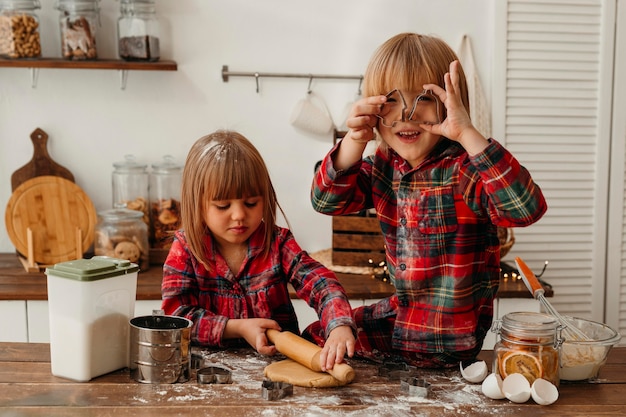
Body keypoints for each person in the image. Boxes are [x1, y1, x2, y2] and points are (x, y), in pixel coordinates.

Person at [305, 33, 547, 368]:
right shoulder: (382, 167)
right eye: (392, 100)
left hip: (450, 339)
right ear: (374, 109)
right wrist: (354, 140)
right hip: (402, 322)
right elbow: (325, 200)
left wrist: (467, 133)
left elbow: (526, 208)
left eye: (423, 98)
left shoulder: (465, 171)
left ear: (452, 104)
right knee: (319, 335)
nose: (408, 115)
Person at [162, 130, 356, 371]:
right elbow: (177, 317)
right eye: (223, 206)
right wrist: (237, 328)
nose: (239, 215)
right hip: (207, 373)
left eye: (251, 203)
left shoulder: (277, 243)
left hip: (278, 369)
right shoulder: (185, 249)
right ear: (197, 204)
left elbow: (321, 284)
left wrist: (338, 324)